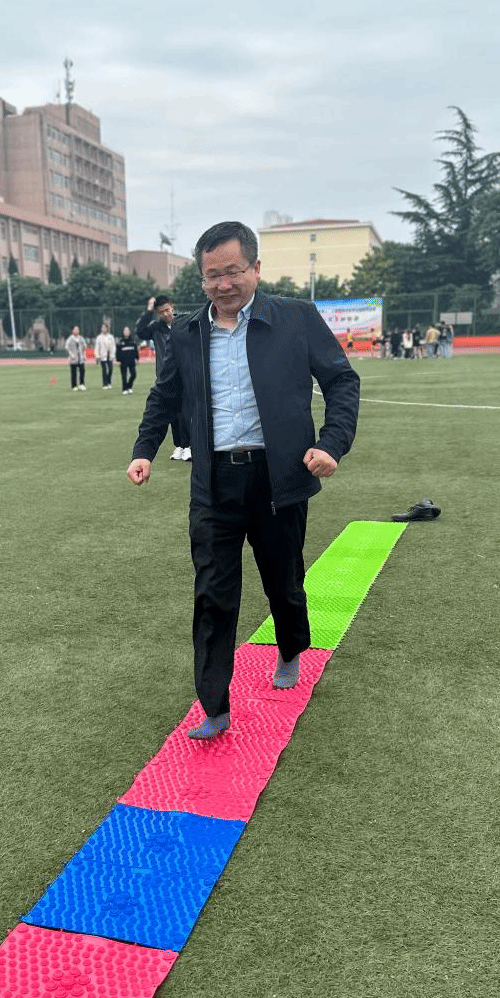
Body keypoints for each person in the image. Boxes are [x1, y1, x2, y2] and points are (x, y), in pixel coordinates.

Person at [126, 220, 360, 741]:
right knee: (213, 591)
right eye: (212, 275)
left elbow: (341, 381)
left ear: (256, 267)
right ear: (202, 278)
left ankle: (291, 648)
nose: (223, 284)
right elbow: (164, 396)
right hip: (213, 482)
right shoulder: (187, 332)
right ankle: (214, 703)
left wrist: (332, 443)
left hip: (279, 477)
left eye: (233, 271)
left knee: (284, 578)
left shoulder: (295, 319)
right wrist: (144, 449)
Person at [137, 295, 191, 461]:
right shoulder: (156, 328)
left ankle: (189, 446)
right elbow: (140, 331)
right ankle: (179, 445)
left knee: (186, 411)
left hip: (184, 374)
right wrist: (148, 311)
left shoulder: (183, 322)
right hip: (165, 376)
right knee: (172, 412)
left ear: (172, 306)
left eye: (167, 310)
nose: (166, 314)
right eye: (161, 312)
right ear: (157, 313)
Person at [93, 322, 116, 389]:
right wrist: (97, 356)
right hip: (103, 356)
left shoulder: (110, 337)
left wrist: (113, 354)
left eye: (105, 328)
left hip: (110, 356)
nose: (104, 329)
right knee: (105, 370)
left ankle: (109, 382)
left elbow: (113, 346)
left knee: (110, 369)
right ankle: (105, 384)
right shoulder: (99, 337)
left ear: (107, 329)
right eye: (102, 328)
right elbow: (97, 347)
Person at [116, 326, 138, 393]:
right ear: (123, 332)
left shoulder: (132, 341)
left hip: (131, 360)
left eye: (127, 331)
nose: (126, 332)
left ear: (129, 332)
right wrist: (118, 360)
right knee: (124, 376)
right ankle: (124, 389)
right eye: (125, 331)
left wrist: (136, 358)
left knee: (133, 374)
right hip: (123, 361)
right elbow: (118, 352)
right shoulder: (120, 342)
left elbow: (135, 351)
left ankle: (129, 386)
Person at [65, 325, 87, 390]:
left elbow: (84, 347)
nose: (76, 331)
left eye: (77, 329)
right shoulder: (70, 339)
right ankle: (74, 385)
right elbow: (67, 347)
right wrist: (71, 354)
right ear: (72, 331)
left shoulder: (81, 338)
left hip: (80, 358)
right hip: (74, 358)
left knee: (82, 371)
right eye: (75, 329)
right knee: (74, 372)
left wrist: (84, 355)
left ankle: (81, 384)